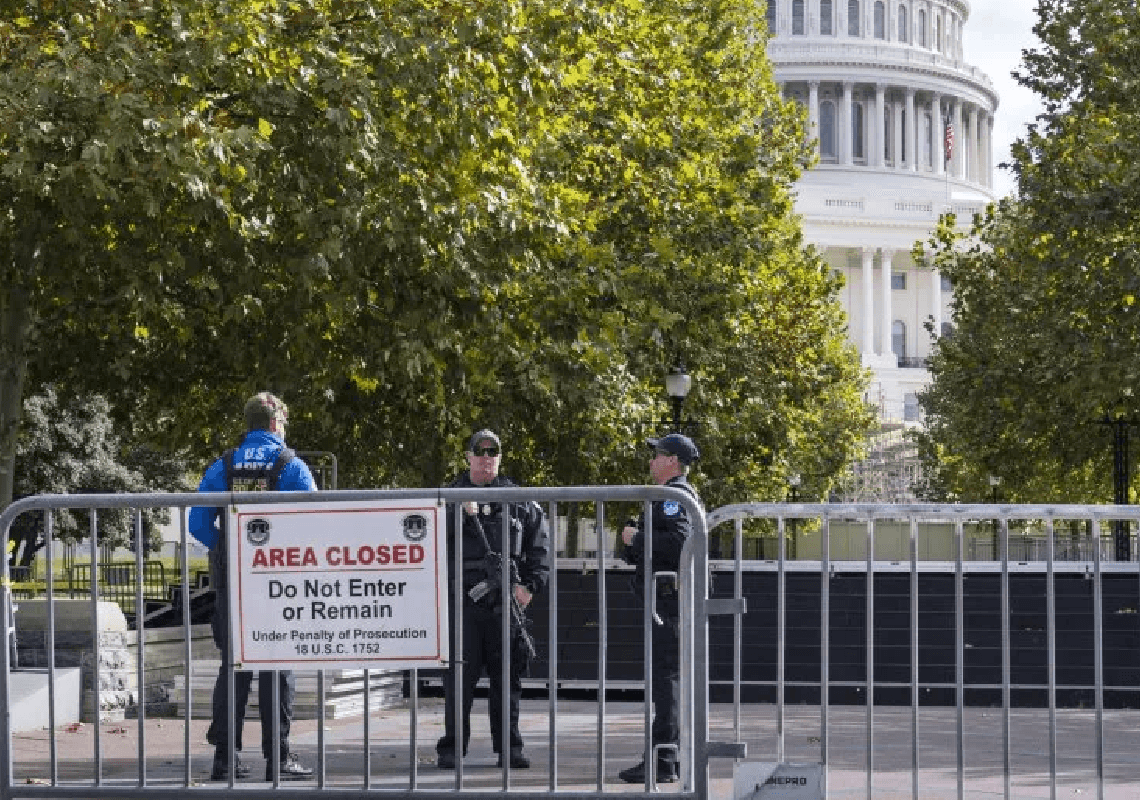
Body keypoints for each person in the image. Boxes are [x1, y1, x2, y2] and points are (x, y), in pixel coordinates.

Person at [189, 392, 316, 782]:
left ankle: (225, 760)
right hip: (277, 587)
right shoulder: (292, 466)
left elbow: (197, 524)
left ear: (249, 425)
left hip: (234, 585)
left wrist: (228, 551)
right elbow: (315, 519)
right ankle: (277, 758)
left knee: (234, 668)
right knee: (278, 670)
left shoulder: (223, 466)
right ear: (277, 424)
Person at [436, 429, 551, 770]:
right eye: (480, 450)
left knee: (507, 680)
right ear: (468, 456)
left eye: (493, 451)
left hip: (506, 602)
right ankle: (453, 747)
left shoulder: (519, 498)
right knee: (459, 679)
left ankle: (510, 747)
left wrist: (530, 586)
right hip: (463, 602)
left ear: (500, 457)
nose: (486, 457)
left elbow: (539, 547)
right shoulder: (449, 496)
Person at [617, 432, 702, 785]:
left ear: (671, 461)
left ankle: (664, 759)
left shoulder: (674, 498)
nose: (650, 461)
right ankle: (665, 756)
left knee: (667, 681)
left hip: (670, 601)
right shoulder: (667, 498)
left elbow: (679, 541)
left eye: (656, 455)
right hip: (667, 600)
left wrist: (636, 539)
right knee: (668, 680)